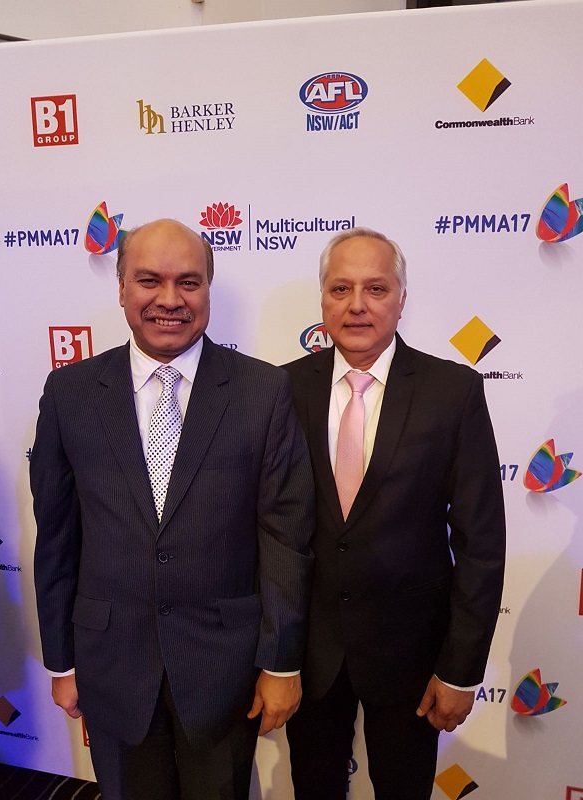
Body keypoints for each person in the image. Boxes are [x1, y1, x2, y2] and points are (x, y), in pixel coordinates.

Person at [30, 219, 314, 800]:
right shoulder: (69, 392)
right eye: (149, 280)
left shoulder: (262, 390)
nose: (170, 299)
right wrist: (61, 662)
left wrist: (281, 663)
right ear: (121, 288)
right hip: (111, 666)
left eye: (188, 282)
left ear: (208, 289)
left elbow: (285, 536)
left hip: (224, 670)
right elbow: (56, 535)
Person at [284, 228, 505, 800]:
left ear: (402, 298)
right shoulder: (282, 387)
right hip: (308, 655)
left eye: (376, 288)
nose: (356, 304)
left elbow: (481, 542)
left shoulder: (452, 391)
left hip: (412, 658)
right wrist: (271, 657)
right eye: (341, 289)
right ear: (323, 300)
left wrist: (460, 669)